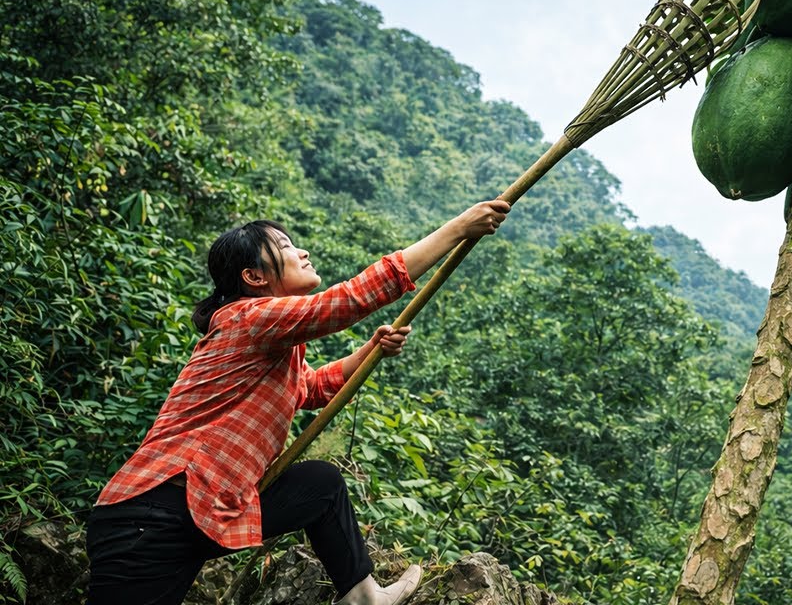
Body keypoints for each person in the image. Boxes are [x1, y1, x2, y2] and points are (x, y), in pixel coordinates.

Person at [85, 199, 511, 605]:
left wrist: (369, 350)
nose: (302, 252)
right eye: (286, 247)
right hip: (154, 512)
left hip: (198, 513)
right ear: (254, 277)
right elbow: (350, 300)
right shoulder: (248, 318)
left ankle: (361, 595)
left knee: (320, 484)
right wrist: (458, 228)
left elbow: (311, 388)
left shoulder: (268, 343)